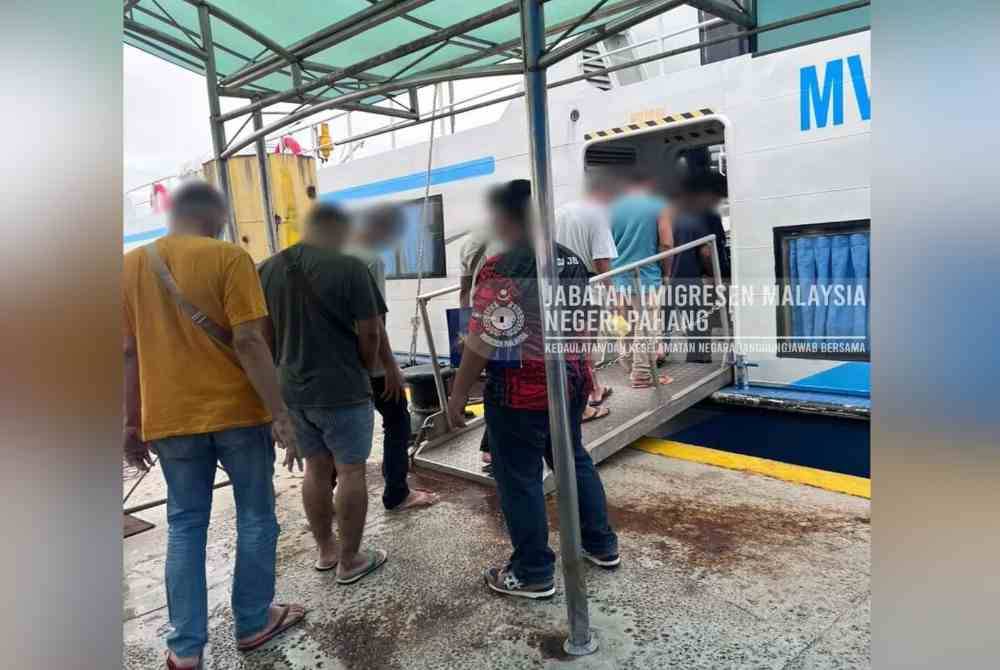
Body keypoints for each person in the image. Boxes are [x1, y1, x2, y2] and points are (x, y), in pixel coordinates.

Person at [122, 181, 306, 670]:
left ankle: (184, 650)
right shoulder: (230, 259)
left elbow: (127, 350)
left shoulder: (131, 265)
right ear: (214, 216)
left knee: (184, 525)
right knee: (255, 516)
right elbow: (249, 341)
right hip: (237, 415)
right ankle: (252, 621)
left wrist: (130, 422)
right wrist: (279, 413)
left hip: (170, 420)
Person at [445, 179, 620, 599]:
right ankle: (601, 544)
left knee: (519, 476)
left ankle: (533, 571)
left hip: (520, 390)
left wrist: (456, 396)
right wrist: (584, 374)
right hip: (571, 378)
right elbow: (587, 325)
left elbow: (484, 338)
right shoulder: (572, 262)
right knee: (572, 458)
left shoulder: (502, 266)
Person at [258, 203, 388, 583]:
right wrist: (364, 368)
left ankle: (326, 551)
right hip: (343, 389)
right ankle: (351, 561)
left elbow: (264, 339)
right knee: (350, 471)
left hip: (293, 391)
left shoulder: (267, 269)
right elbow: (371, 332)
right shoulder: (350, 268)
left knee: (316, 468)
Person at [345, 204, 438, 510]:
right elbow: (373, 324)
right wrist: (386, 366)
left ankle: (332, 491)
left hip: (332, 368)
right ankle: (396, 492)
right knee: (397, 421)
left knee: (333, 436)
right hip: (368, 365)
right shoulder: (369, 258)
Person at [554, 173, 620, 415]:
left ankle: (593, 388)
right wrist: (612, 294)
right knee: (586, 344)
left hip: (560, 287)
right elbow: (601, 259)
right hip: (587, 287)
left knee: (570, 345)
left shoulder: (558, 213)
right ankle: (589, 396)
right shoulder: (597, 216)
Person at [610, 171, 674, 387]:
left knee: (624, 324)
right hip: (646, 276)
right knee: (646, 325)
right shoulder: (658, 205)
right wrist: (666, 272)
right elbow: (666, 243)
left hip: (617, 275)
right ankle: (642, 375)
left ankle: (628, 365)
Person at [664, 171, 728, 363]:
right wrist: (714, 273)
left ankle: (659, 356)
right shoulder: (697, 215)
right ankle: (698, 358)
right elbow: (706, 251)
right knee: (697, 323)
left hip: (662, 276)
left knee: (663, 322)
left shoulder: (669, 212)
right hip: (689, 275)